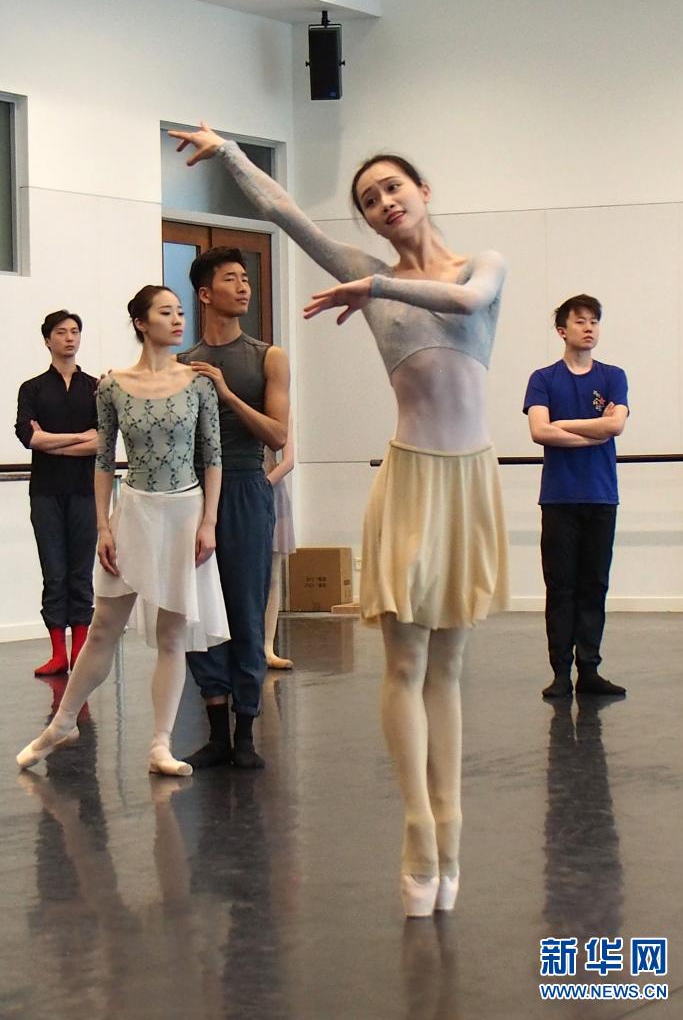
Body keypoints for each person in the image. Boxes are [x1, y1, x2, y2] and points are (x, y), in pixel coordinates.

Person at [169, 124, 509, 917]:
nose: (383, 202)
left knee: (448, 668)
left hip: (470, 480)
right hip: (410, 476)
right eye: (368, 199)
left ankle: (451, 825)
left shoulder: (476, 265)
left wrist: (377, 288)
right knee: (405, 662)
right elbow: (285, 214)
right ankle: (417, 830)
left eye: (393, 187)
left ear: (422, 192)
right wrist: (231, 155)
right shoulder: (363, 272)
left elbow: (469, 302)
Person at [17, 285, 228, 777]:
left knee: (172, 635)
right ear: (141, 322)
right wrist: (104, 526)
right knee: (103, 629)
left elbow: (213, 456)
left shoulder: (198, 384)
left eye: (180, 312)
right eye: (166, 312)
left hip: (185, 512)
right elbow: (103, 459)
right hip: (133, 510)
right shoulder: (112, 387)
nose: (178, 320)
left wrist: (209, 521)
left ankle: (160, 745)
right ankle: (63, 722)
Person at [177, 248, 290, 771]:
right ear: (205, 294)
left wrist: (225, 392)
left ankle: (246, 731)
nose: (244, 287)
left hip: (245, 484)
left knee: (245, 607)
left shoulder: (268, 356)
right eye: (231, 279)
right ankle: (216, 732)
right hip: (192, 490)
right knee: (199, 612)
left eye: (246, 278)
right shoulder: (181, 364)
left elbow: (278, 434)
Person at [523, 294, 629, 700]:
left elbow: (615, 427)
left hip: (601, 497)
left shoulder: (613, 376)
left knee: (594, 585)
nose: (589, 328)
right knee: (561, 587)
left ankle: (590, 670)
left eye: (594, 321)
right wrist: (592, 430)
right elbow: (540, 431)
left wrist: (564, 425)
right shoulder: (543, 378)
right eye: (581, 321)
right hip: (559, 499)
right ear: (562, 330)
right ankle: (560, 674)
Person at [15, 310, 98, 676]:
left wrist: (53, 444)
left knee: (81, 571)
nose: (69, 338)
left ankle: (80, 652)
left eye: (75, 331)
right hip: (46, 493)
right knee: (54, 572)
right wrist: (79, 437)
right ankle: (57, 654)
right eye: (61, 332)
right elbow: (30, 437)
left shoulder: (94, 387)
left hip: (85, 491)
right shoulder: (32, 388)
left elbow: (102, 441)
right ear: (47, 340)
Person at [263, 411, 296, 669]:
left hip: (269, 490)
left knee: (273, 575)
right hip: (242, 488)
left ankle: (267, 646)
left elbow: (289, 461)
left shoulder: (282, 409)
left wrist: (261, 487)